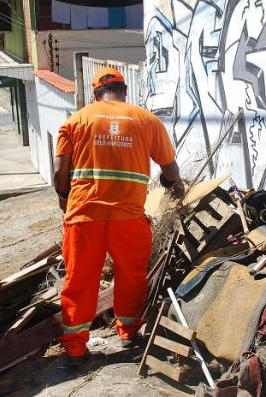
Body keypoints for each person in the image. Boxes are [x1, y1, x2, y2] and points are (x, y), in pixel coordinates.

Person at [54, 68, 183, 367]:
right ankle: (129, 333)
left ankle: (75, 349)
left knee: (79, 281)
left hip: (85, 214)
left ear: (96, 93)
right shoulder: (147, 121)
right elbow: (171, 169)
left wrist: (64, 196)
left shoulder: (76, 121)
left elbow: (60, 169)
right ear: (125, 91)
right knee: (132, 276)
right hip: (129, 216)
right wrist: (171, 184)